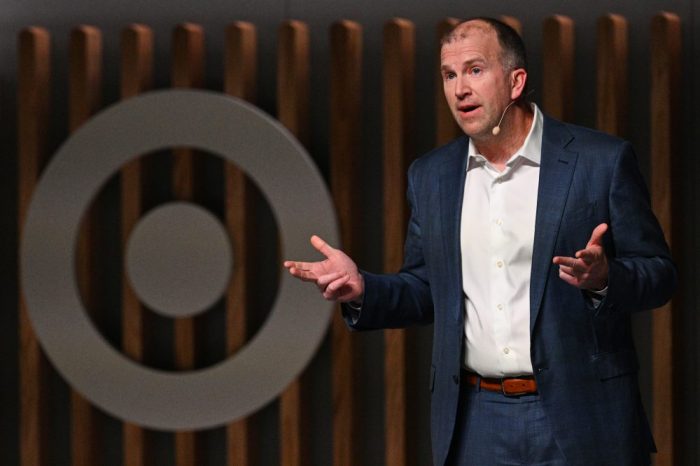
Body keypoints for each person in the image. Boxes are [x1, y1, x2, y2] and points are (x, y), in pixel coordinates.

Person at [283, 17, 676, 466]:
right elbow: (426, 289)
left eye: (474, 70)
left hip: (582, 414)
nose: (460, 89)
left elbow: (660, 275)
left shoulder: (600, 160)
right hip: (477, 418)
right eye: (449, 75)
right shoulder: (431, 176)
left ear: (515, 82)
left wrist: (604, 278)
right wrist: (363, 288)